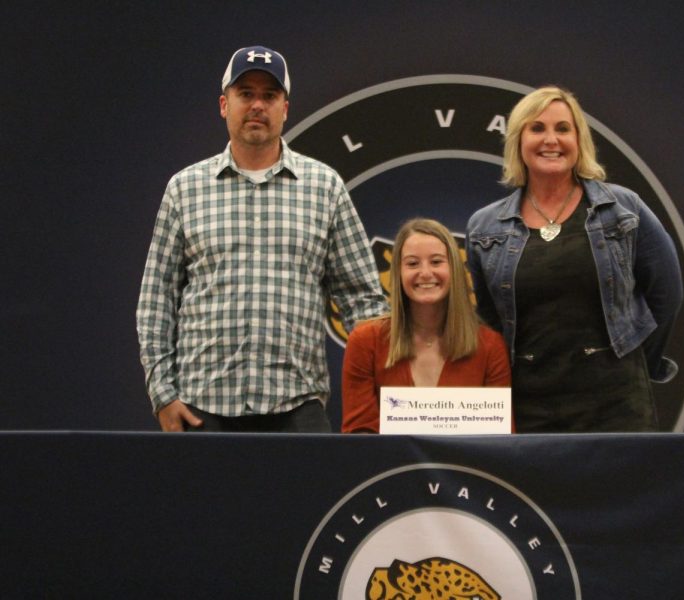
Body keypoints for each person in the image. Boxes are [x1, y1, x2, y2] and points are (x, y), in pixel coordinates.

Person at [136, 46, 387, 432]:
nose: (257, 105)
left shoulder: (325, 187)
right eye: (245, 94)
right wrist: (163, 395)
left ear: (285, 109)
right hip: (202, 407)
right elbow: (157, 301)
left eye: (269, 96)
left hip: (298, 406)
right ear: (224, 104)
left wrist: (382, 393)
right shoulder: (184, 189)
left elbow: (363, 304)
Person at [465, 86, 683, 433]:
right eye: (537, 128)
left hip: (617, 404)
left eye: (563, 129)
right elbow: (490, 324)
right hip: (527, 406)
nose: (551, 139)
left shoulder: (625, 207)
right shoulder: (484, 227)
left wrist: (634, 359)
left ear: (579, 140)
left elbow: (667, 296)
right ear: (518, 142)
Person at [342, 218, 511, 433]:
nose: (425, 273)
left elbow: (501, 441)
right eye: (412, 263)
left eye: (436, 261)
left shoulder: (489, 346)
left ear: (455, 270)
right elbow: (359, 439)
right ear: (398, 273)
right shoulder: (365, 341)